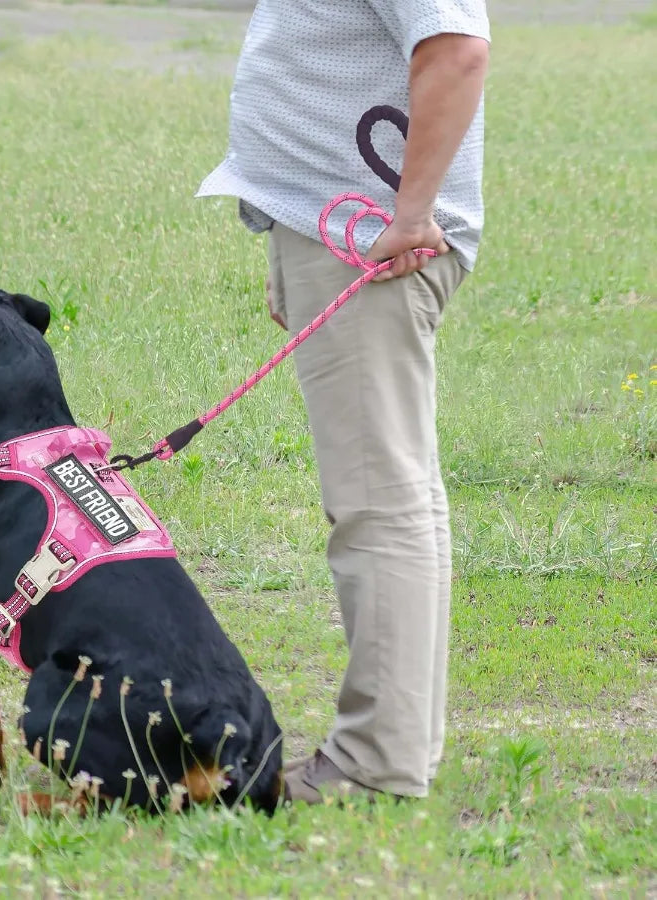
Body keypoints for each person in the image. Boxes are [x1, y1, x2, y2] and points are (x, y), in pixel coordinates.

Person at [198, 1, 490, 803]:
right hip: (338, 225)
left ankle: (373, 766)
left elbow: (457, 50)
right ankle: (400, 748)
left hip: (372, 238)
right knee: (396, 499)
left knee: (378, 503)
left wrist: (411, 213)